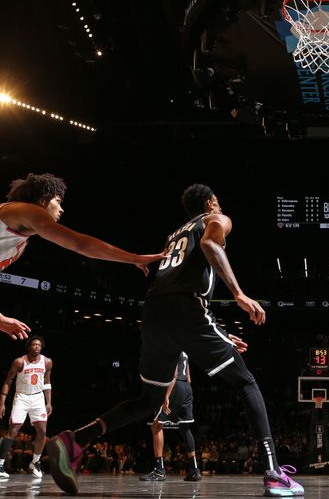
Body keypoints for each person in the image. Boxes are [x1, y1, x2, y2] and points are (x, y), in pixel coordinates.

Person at [46, 184, 303, 496]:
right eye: (217, 202)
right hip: (188, 310)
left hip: (154, 312)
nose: (219, 207)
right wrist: (238, 294)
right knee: (246, 382)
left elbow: (177, 290)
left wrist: (215, 332)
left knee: (149, 401)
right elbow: (210, 245)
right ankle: (273, 472)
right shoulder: (217, 219)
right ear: (211, 203)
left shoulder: (174, 234)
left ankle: (77, 439)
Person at [0, 173, 166, 340]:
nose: (62, 208)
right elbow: (80, 244)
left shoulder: (19, 241)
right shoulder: (27, 210)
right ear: (44, 199)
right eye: (58, 201)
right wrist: (134, 258)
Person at [140, 351, 200, 482]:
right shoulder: (185, 351)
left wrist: (166, 396)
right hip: (187, 387)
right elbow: (189, 377)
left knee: (156, 426)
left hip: (175, 385)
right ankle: (194, 470)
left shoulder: (172, 346)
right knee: (185, 428)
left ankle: (159, 470)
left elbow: (173, 374)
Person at [0, 336, 52, 478]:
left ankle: (35, 462)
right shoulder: (19, 361)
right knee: (13, 429)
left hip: (38, 397)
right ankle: (0, 465)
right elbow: (8, 381)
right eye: (34, 344)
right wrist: (2, 403)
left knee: (42, 431)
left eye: (39, 345)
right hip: (22, 397)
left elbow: (47, 382)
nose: (36, 347)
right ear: (29, 346)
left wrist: (48, 402)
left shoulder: (47, 362)